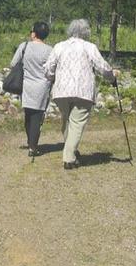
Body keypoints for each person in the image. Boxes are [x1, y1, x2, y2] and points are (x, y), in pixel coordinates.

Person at [43, 18, 119, 170]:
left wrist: (51, 78)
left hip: (61, 91)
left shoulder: (59, 46)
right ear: (86, 32)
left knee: (66, 122)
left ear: (70, 31)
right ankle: (69, 158)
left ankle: (71, 151)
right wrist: (112, 77)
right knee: (77, 124)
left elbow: (48, 67)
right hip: (82, 91)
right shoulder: (89, 47)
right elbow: (102, 66)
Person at [9, 21, 54, 157]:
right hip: (42, 86)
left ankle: (31, 143)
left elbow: (13, 63)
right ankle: (33, 147)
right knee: (37, 116)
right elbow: (52, 69)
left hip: (26, 85)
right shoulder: (50, 50)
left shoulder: (24, 46)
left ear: (34, 33)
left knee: (28, 115)